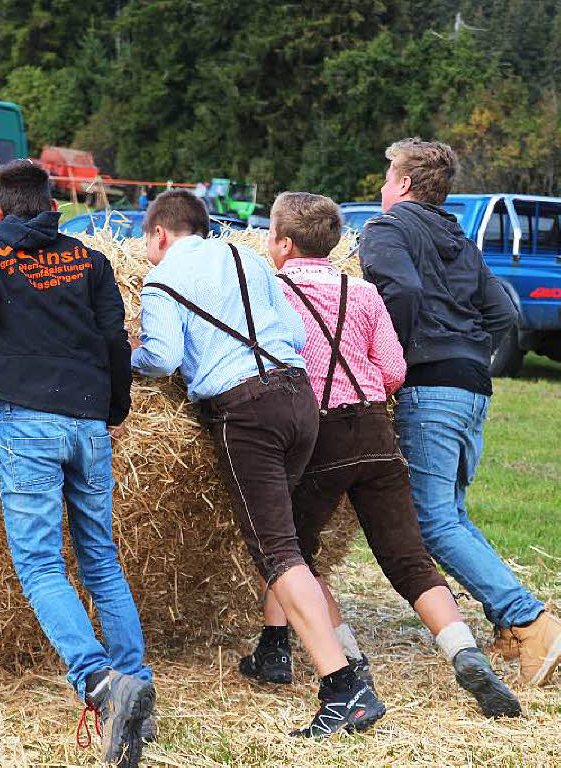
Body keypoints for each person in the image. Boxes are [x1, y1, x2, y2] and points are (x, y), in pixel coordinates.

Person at [244, 191, 520, 719]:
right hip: (375, 431)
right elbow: (393, 369)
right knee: (409, 559)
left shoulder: (272, 291)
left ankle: (348, 660)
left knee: (295, 558)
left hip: (317, 433)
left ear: (281, 242)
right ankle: (464, 651)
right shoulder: (362, 291)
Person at [130, 190, 385, 737]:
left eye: (147, 242)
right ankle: (274, 650)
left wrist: (126, 353)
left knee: (278, 551)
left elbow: (162, 358)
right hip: (299, 397)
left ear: (160, 235)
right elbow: (292, 333)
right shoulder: (247, 257)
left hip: (247, 411)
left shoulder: (161, 279)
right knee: (285, 537)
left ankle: (343, 687)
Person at [0, 159, 154, 767]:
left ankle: (100, 683)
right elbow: (116, 340)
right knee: (101, 559)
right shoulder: (89, 260)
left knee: (38, 563)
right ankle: (138, 681)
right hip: (89, 421)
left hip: (29, 422)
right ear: (51, 204)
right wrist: (113, 406)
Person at [361, 138, 561, 687]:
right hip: (472, 387)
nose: (382, 189)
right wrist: (468, 354)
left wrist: (393, 361)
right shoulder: (460, 238)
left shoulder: (385, 230)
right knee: (452, 513)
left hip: (428, 388)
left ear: (402, 185)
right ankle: (509, 624)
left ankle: (530, 619)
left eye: (386, 178)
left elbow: (399, 288)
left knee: (431, 522)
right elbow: (503, 312)